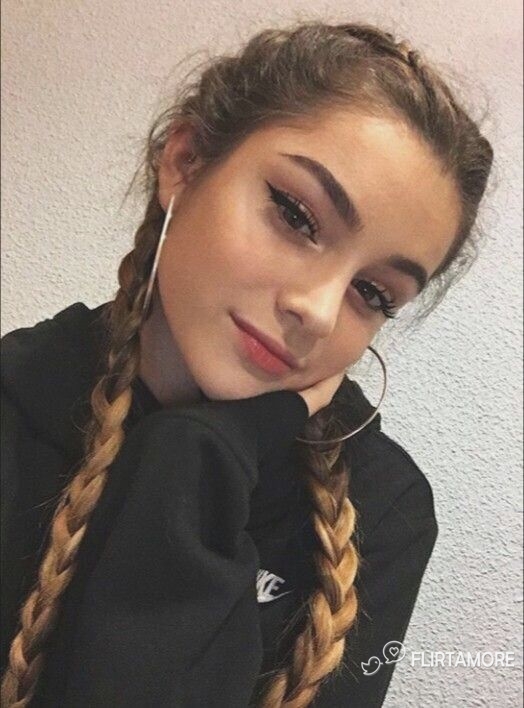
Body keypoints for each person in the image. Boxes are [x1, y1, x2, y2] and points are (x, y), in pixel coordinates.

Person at [0, 20, 493, 708]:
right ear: (186, 161)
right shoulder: (17, 401)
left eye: (373, 293)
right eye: (296, 216)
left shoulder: (382, 510)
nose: (317, 311)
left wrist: (195, 459)